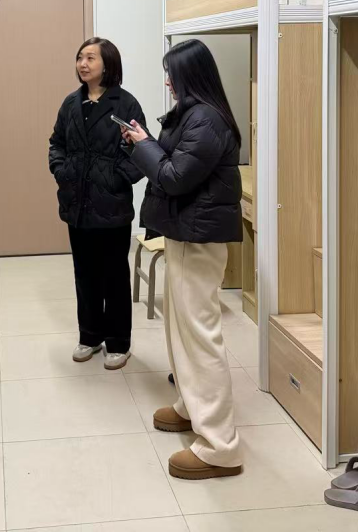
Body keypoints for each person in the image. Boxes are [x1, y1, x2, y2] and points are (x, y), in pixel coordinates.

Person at [121, 38, 244, 481]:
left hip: (198, 237)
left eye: (172, 74)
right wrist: (143, 142)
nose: (168, 82)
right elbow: (174, 163)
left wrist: (144, 146)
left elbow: (174, 177)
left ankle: (220, 446)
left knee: (200, 337)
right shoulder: (193, 115)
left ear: (191, 75)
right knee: (180, 330)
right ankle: (192, 407)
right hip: (184, 232)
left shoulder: (207, 120)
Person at [49, 37, 147, 370]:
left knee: (114, 275)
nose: (83, 63)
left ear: (108, 64)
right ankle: (90, 336)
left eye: (90, 57)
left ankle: (119, 342)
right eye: (80, 57)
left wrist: (117, 177)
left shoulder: (125, 103)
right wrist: (62, 171)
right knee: (85, 273)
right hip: (76, 203)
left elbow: (142, 150)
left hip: (112, 204)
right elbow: (56, 143)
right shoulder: (71, 103)